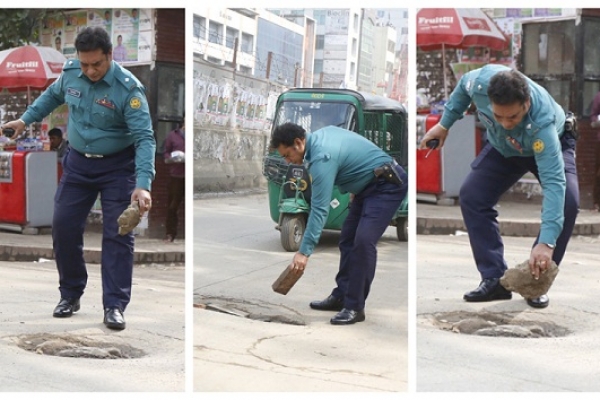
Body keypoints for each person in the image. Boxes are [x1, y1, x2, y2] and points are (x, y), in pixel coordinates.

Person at [1, 26, 156, 330]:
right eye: (85, 64)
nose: (90, 70)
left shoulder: (129, 89)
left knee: (118, 234)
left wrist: (143, 184)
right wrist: (25, 119)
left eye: (96, 64)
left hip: (117, 168)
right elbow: (51, 97)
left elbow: (145, 139)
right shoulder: (71, 73)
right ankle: (70, 294)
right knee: (64, 227)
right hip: (78, 165)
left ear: (110, 56)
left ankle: (114, 305)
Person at [419, 64, 579, 309]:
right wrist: (444, 124)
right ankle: (494, 279)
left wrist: (546, 242)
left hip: (549, 144)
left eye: (512, 117)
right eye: (498, 116)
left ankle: (535, 281)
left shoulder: (542, 123)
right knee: (472, 195)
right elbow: (462, 89)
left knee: (568, 201)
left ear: (526, 104)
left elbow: (554, 184)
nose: (505, 122)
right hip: (504, 148)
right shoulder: (479, 83)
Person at [270, 123, 407, 325]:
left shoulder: (321, 157)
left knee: (363, 242)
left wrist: (304, 252)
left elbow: (319, 209)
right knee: (347, 239)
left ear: (298, 143)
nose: (287, 161)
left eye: (287, 155)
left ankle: (355, 307)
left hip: (387, 186)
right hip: (367, 187)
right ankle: (342, 295)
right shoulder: (318, 138)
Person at [163, 117, 185, 243]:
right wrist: (173, 158)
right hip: (176, 175)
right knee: (172, 206)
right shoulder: (173, 136)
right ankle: (170, 233)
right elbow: (165, 153)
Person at [589, 90, 600, 210]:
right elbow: (593, 116)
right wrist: (597, 120)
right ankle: (597, 202)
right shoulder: (599, 96)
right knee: (599, 171)